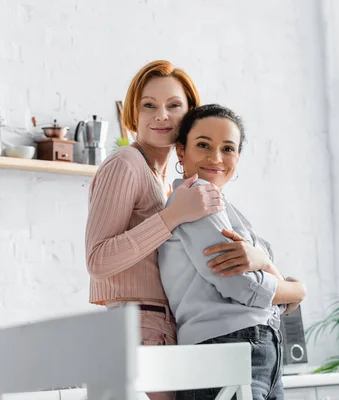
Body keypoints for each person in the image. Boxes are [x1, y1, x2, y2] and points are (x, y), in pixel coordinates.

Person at [85, 61, 273, 400]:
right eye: (149, 105)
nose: (161, 116)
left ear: (188, 113)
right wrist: (171, 217)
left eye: (173, 106)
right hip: (140, 324)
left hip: (159, 324)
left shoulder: (158, 179)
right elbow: (98, 260)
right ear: (133, 112)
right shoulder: (125, 163)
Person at [158, 104, 307, 400]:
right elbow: (241, 284)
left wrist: (263, 261)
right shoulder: (197, 198)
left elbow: (258, 280)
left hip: (248, 347)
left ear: (238, 157)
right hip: (230, 346)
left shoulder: (222, 207)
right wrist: (297, 290)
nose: (216, 158)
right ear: (180, 151)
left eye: (228, 148)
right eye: (203, 145)